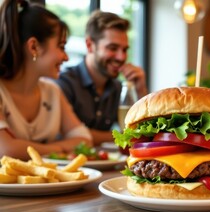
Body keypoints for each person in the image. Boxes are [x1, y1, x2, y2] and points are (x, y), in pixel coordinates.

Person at [0, 0, 92, 160]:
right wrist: (60, 148)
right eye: (61, 46)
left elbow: (85, 140)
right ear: (34, 47)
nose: (66, 57)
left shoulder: (52, 91)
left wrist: (34, 148)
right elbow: (6, 150)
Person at [57, 10, 148, 146]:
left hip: (106, 165)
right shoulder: (64, 83)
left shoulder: (118, 88)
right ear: (89, 45)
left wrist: (140, 90)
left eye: (124, 50)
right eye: (112, 48)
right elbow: (70, 134)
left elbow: (144, 132)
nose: (121, 57)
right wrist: (123, 135)